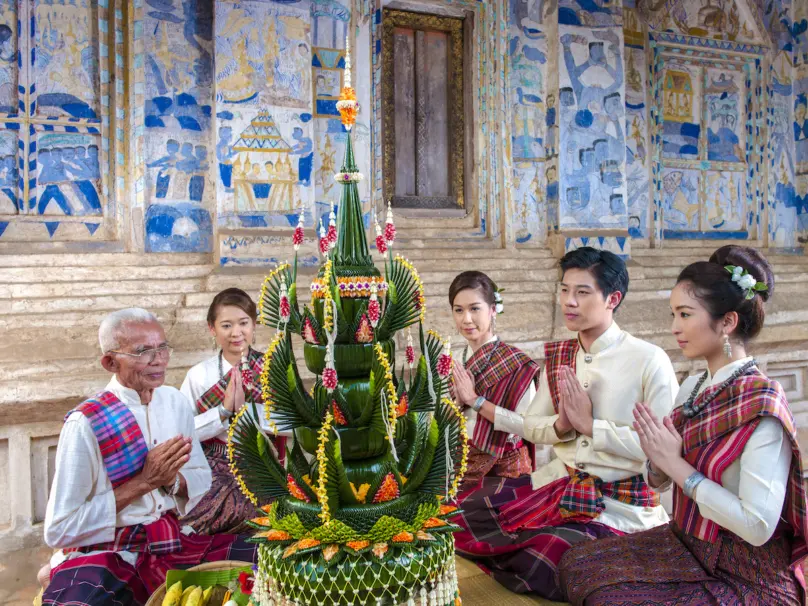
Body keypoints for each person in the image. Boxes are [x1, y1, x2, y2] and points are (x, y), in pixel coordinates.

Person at [559, 246, 807, 605]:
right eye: (674, 314)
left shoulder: (762, 404)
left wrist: (676, 464)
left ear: (727, 323)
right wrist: (657, 459)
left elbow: (757, 526)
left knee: (610, 599)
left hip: (744, 571)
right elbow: (660, 478)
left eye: (685, 314)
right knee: (575, 563)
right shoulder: (693, 387)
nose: (674, 327)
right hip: (688, 542)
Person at [454, 247, 678, 600]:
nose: (568, 302)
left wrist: (592, 427)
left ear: (612, 298)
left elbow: (663, 451)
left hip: (619, 507)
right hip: (558, 486)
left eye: (582, 292)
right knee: (460, 514)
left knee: (544, 558)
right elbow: (532, 425)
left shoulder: (649, 360)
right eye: (564, 290)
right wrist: (561, 427)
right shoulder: (561, 356)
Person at [42, 308, 256, 606]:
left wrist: (173, 481)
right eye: (143, 351)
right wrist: (143, 482)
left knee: (264, 558)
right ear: (110, 362)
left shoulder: (174, 402)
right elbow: (59, 529)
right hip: (111, 551)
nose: (158, 360)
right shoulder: (86, 423)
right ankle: (58, 572)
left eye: (162, 348)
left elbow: (200, 477)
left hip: (171, 540)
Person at [180, 288, 285, 535]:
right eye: (226, 325)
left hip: (263, 462)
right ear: (212, 328)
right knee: (195, 524)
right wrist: (223, 412)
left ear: (254, 324)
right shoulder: (198, 375)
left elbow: (293, 422)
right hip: (214, 465)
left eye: (243, 323)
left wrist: (247, 412)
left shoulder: (274, 369)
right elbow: (183, 430)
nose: (236, 333)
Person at [449, 271, 545, 496]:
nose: (466, 319)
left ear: (493, 310)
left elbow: (529, 428)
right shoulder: (456, 360)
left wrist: (474, 400)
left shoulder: (516, 363)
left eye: (475, 308)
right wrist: (458, 401)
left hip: (506, 473)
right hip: (463, 467)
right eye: (458, 310)